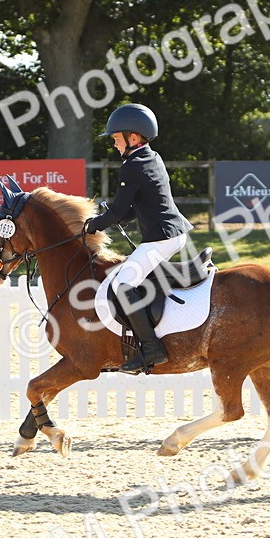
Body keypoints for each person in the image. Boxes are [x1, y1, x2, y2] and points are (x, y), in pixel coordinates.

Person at [84, 103, 193, 375]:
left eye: (116, 138)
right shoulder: (151, 157)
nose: (114, 144)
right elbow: (137, 207)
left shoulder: (132, 165)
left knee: (123, 285)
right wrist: (113, 218)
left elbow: (119, 211)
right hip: (171, 233)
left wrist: (91, 225)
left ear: (133, 137)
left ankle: (151, 348)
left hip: (162, 238)